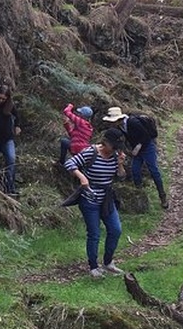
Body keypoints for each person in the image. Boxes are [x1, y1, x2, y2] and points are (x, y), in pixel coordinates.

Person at [63, 128, 125, 278]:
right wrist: (82, 177)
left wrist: (121, 164)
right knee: (94, 233)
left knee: (116, 230)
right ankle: (93, 266)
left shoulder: (116, 155)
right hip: (89, 199)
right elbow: (70, 163)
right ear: (106, 143)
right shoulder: (92, 152)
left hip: (106, 199)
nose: (116, 150)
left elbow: (121, 176)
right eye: (114, 147)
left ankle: (108, 262)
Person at [103, 106, 168, 209]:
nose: (111, 124)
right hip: (136, 149)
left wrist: (138, 147)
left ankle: (162, 196)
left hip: (147, 146)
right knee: (135, 170)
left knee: (153, 170)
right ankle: (140, 194)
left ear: (118, 119)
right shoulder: (119, 127)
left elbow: (146, 136)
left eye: (113, 121)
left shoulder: (133, 122)